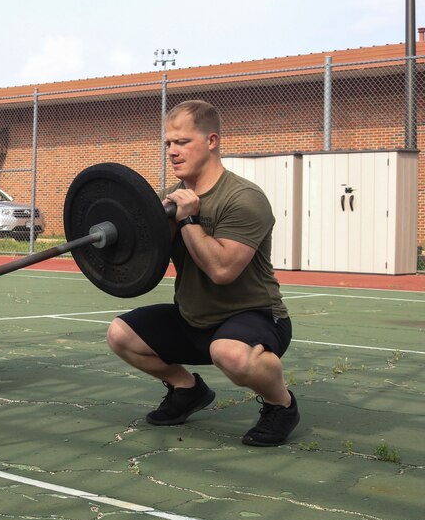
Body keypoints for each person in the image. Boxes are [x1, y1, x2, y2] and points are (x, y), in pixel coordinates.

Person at [105, 99, 299, 446]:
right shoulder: (168, 198)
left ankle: (281, 404)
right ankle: (187, 389)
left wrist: (189, 219)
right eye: (168, 143)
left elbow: (222, 270)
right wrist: (119, 238)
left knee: (229, 352)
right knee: (120, 334)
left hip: (254, 316)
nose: (172, 151)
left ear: (211, 141)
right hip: (192, 319)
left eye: (182, 141)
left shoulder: (243, 198)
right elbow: (141, 262)